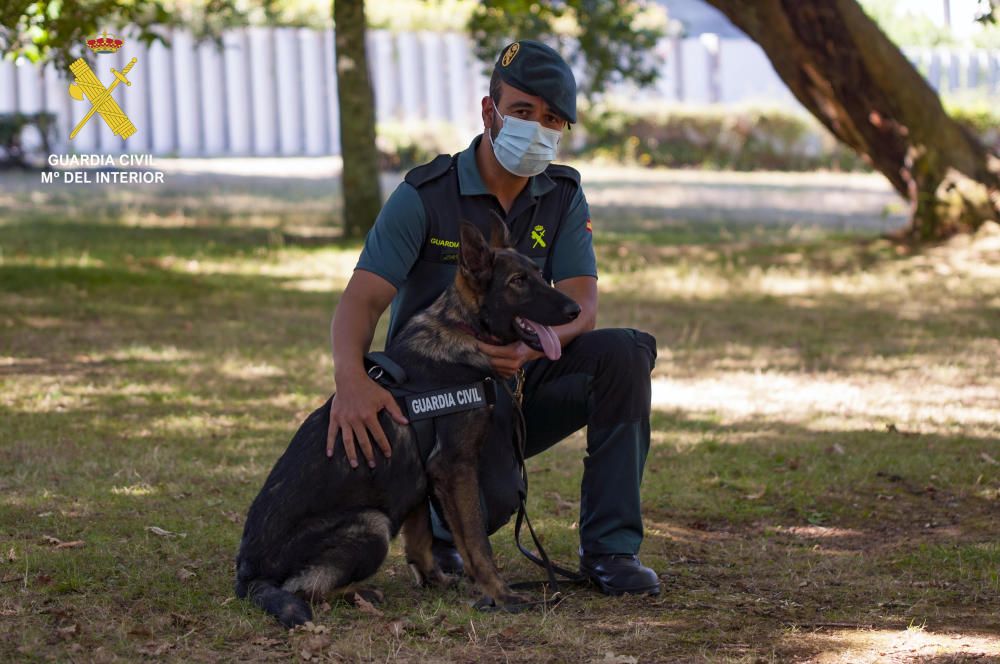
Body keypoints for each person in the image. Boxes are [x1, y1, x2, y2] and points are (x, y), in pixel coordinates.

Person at [326, 40, 660, 596]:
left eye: (552, 119)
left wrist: (531, 347)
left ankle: (611, 552)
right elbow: (359, 301)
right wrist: (350, 379)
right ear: (490, 112)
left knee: (625, 353)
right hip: (442, 395)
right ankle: (439, 530)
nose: (538, 127)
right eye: (523, 111)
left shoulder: (562, 195)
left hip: (523, 374)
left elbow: (583, 301)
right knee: (491, 499)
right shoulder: (426, 195)